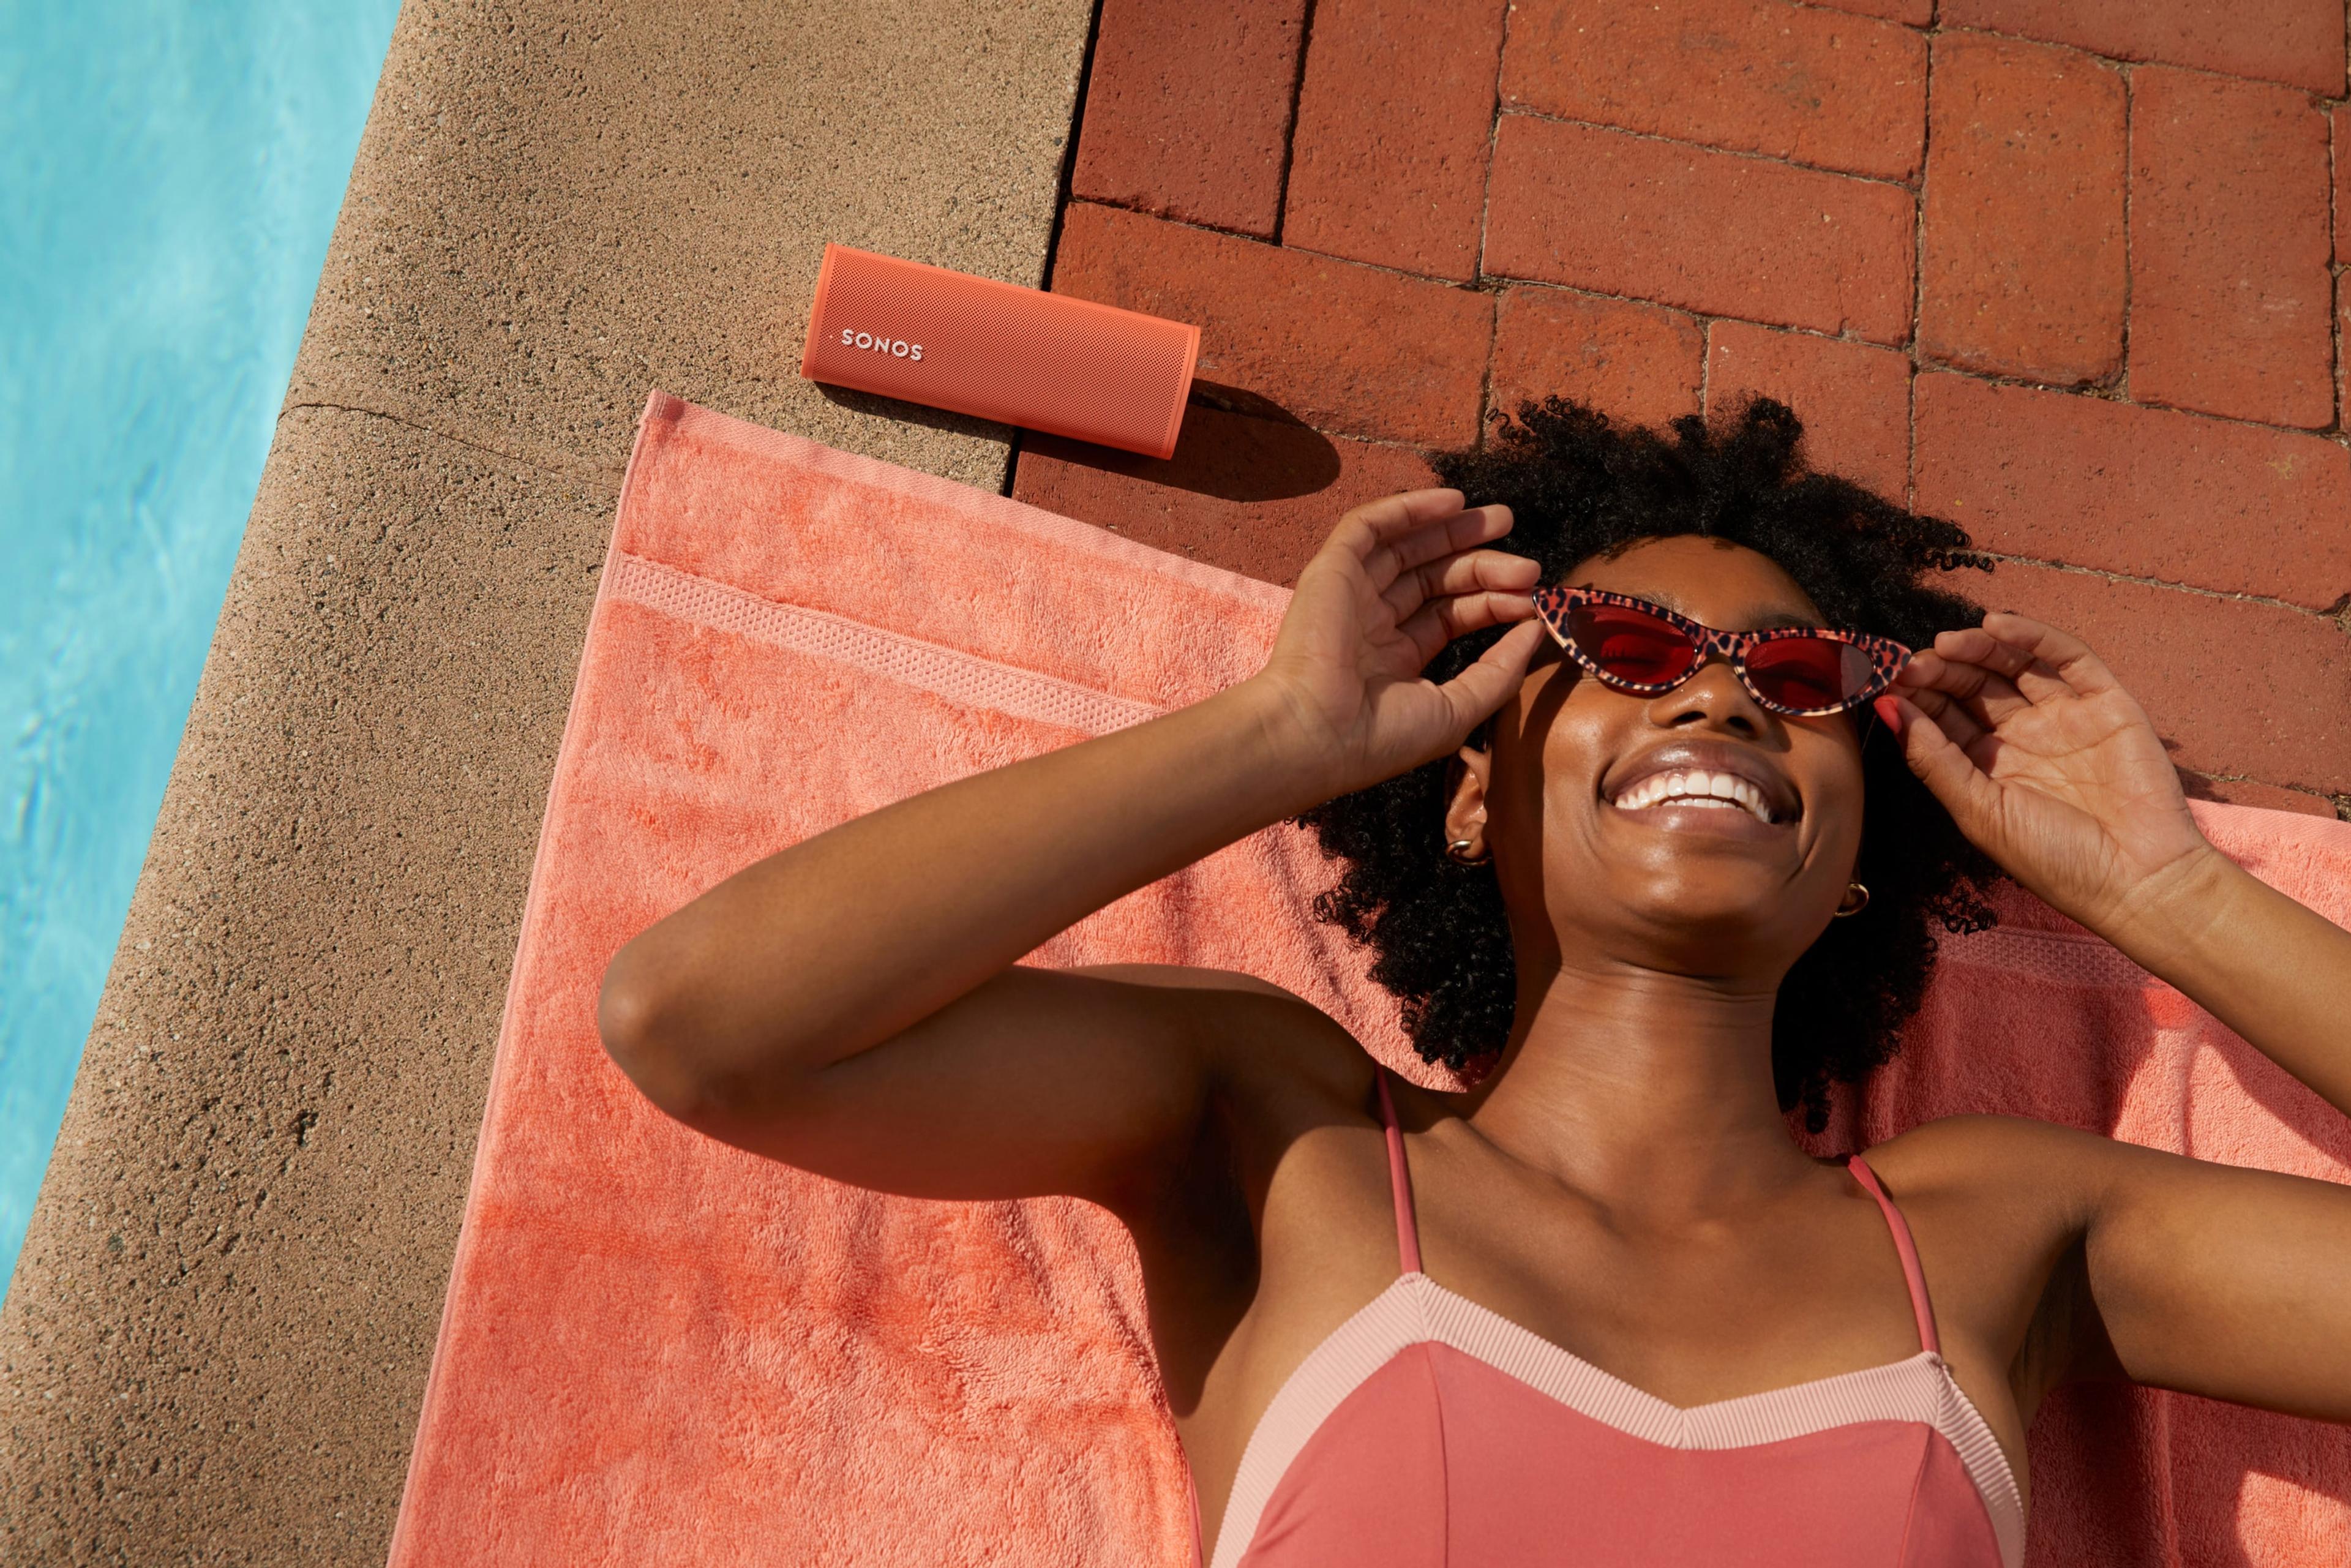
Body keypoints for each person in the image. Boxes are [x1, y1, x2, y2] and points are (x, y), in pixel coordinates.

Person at [596, 396, 2351, 1567]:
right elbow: (703, 1020)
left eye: (1799, 675)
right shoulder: (1281, 1135)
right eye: (1632, 651)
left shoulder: (1998, 1231)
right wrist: (1275, 735)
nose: (1722, 698)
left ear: (1859, 858)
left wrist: (2170, 893)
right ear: (1472, 779)